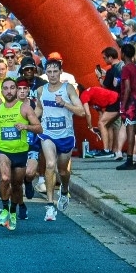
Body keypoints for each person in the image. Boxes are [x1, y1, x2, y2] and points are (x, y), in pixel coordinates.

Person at [36, 58, 85, 221]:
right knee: (50, 164)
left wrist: (64, 103)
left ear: (60, 72)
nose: (52, 75)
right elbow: (38, 110)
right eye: (49, 72)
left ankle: (64, 189)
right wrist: (27, 121)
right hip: (48, 134)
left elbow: (81, 112)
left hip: (65, 135)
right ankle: (50, 205)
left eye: (55, 71)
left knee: (62, 171)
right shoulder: (41, 91)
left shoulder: (68, 88)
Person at [0, 78, 42, 231]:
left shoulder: (25, 108)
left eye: (12, 88)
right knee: (5, 177)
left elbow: (39, 128)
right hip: (2, 150)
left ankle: (13, 211)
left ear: (16, 90)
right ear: (2, 91)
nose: (9, 91)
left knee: (16, 185)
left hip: (20, 152)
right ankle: (5, 208)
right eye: (5, 88)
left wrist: (25, 126)